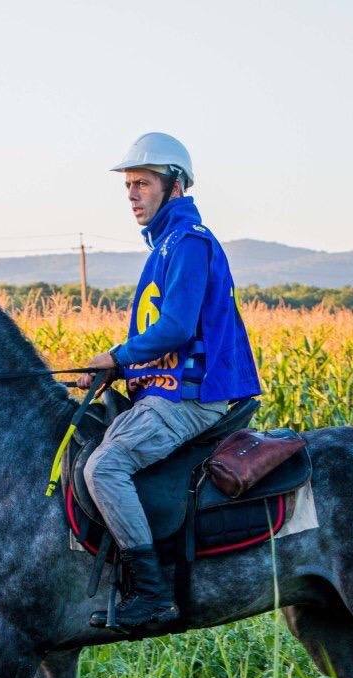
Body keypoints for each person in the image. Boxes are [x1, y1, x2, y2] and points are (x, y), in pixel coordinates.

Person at [77, 132, 262, 632]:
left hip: (191, 397)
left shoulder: (188, 244)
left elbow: (177, 328)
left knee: (105, 469)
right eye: (129, 185)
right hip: (163, 390)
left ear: (175, 185)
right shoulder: (166, 246)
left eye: (143, 183)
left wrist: (116, 355)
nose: (133, 194)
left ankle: (154, 594)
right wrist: (121, 369)